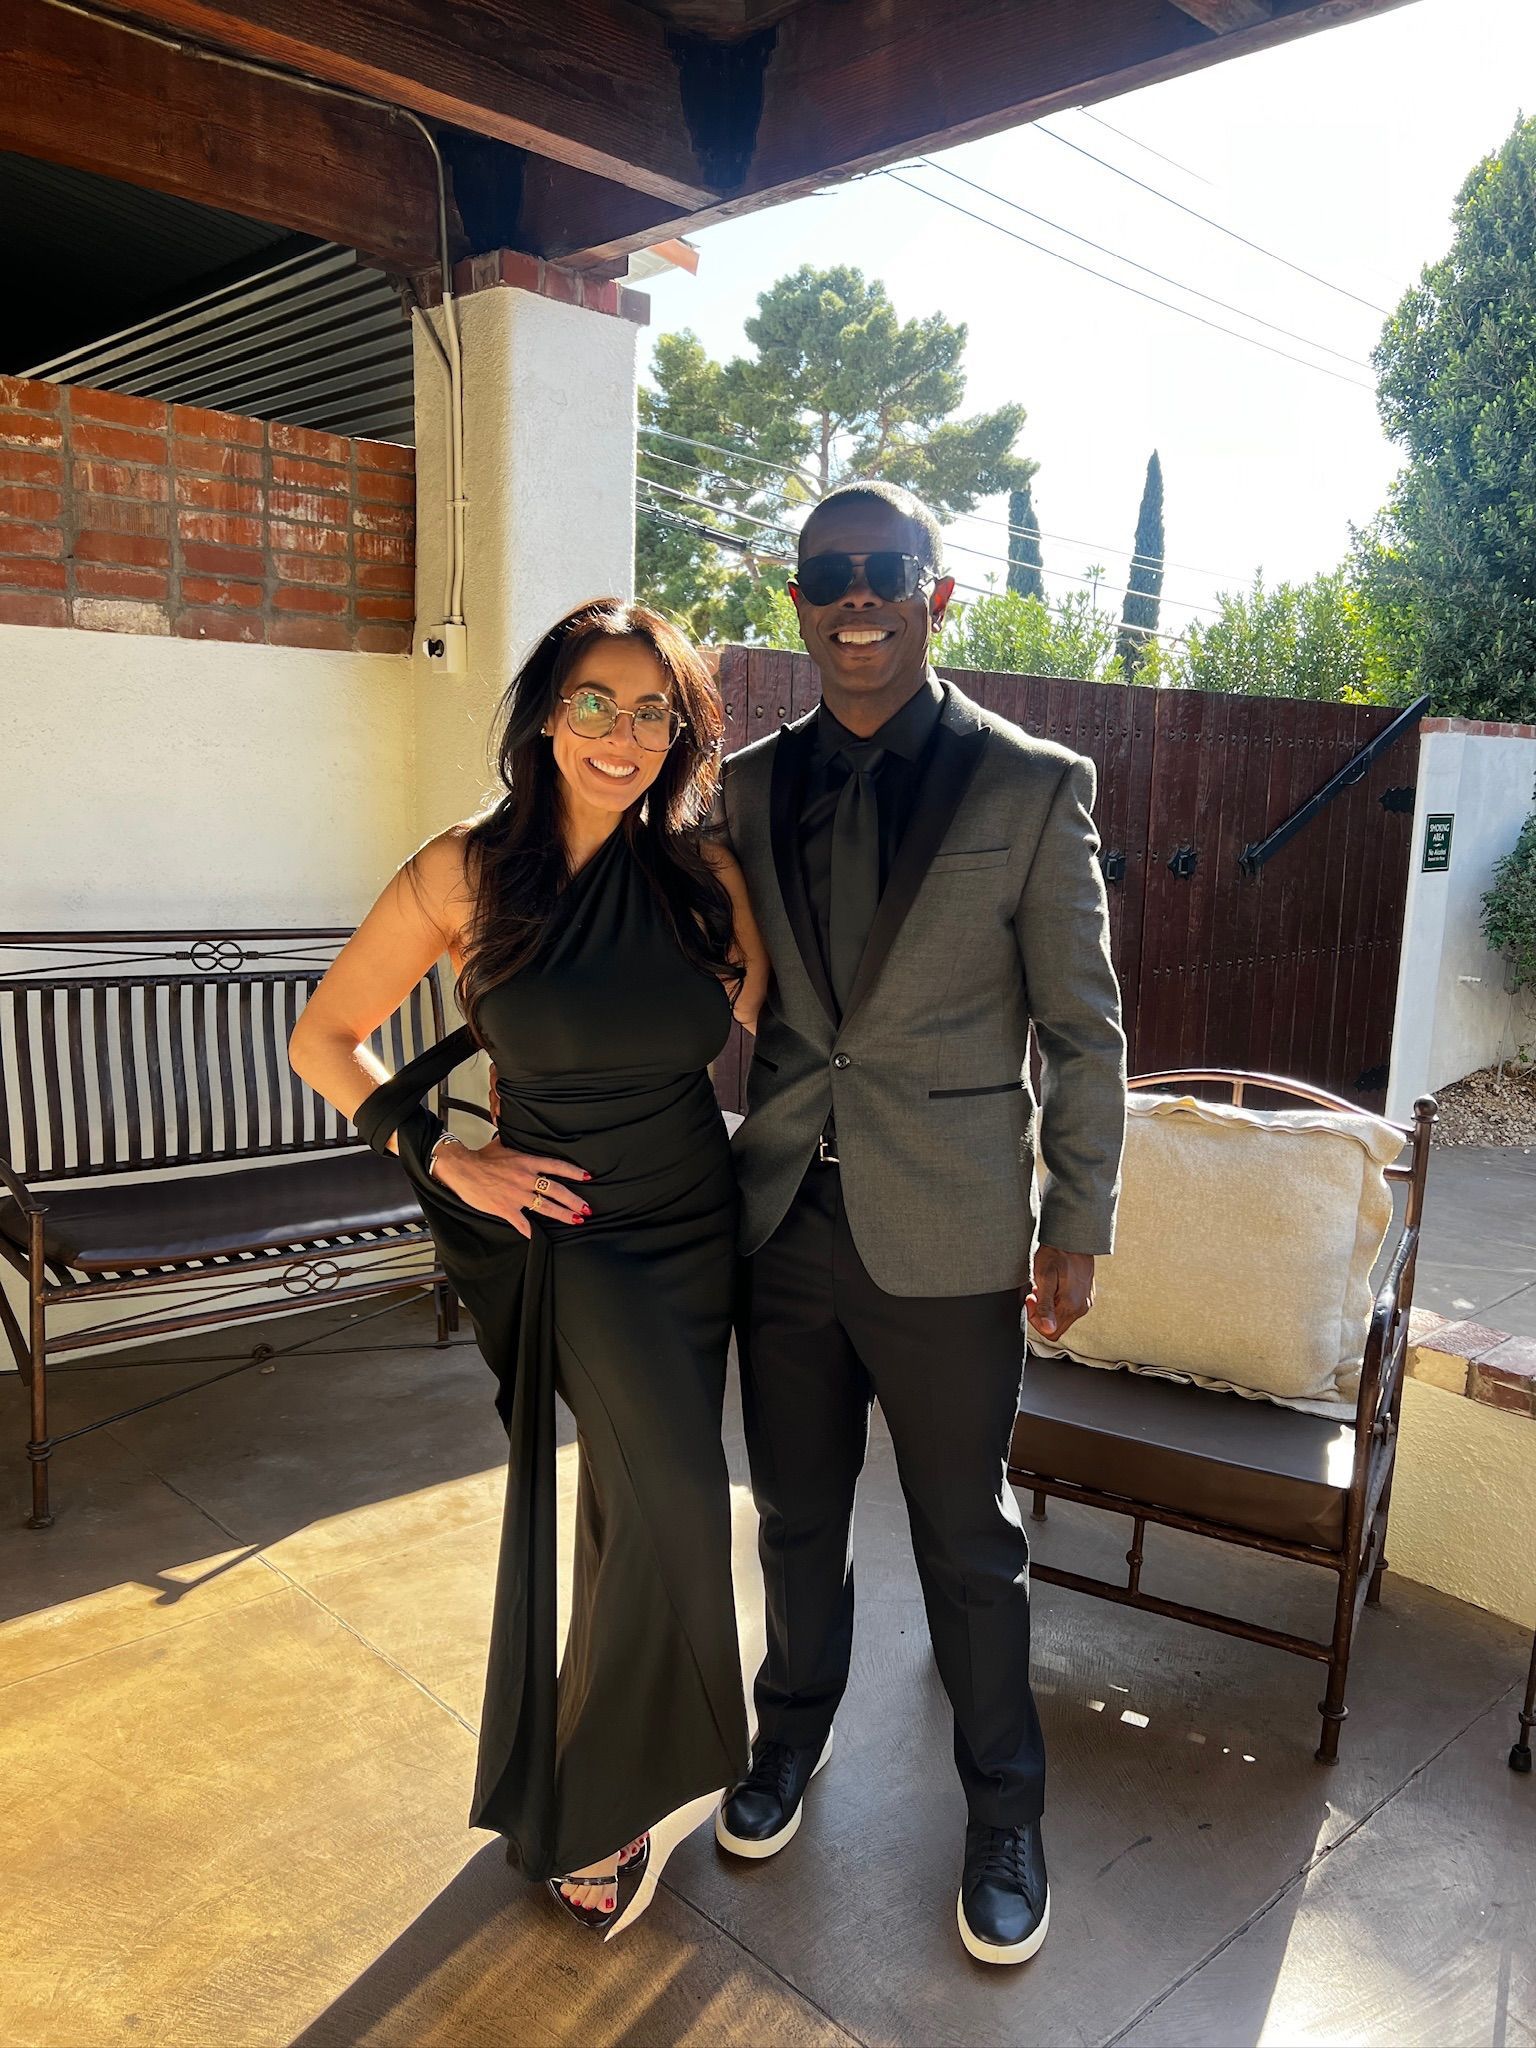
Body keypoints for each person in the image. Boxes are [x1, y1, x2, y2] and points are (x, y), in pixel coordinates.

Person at [289, 598, 768, 1939]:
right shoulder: (464, 873)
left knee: (632, 1502)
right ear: (547, 714)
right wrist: (447, 1158)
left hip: (697, 1223)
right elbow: (325, 1040)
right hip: (575, 1234)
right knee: (679, 1500)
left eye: (653, 712)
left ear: (683, 733)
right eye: (596, 705)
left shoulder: (702, 877)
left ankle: (597, 1771)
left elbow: (788, 1032)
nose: (623, 736)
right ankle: (601, 1794)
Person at [711, 481, 1126, 1966]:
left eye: (887, 570)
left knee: (967, 1540)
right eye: (830, 575)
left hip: (951, 1235)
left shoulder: (1032, 784)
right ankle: (789, 1738)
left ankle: (1005, 1816)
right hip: (782, 1225)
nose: (858, 597)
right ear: (801, 601)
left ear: (935, 592)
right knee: (798, 1517)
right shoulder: (747, 792)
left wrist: (1078, 1215)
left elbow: (1083, 1032)